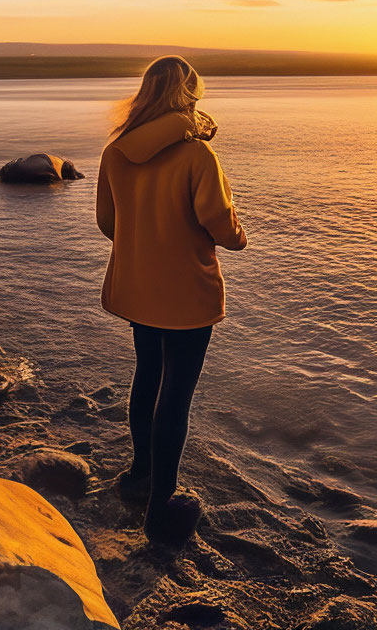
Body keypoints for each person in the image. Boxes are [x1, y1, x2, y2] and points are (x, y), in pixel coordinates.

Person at [96, 55, 247, 543]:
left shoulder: (116, 152)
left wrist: (143, 239)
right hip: (185, 293)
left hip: (138, 288)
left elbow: (108, 224)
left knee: (147, 377)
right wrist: (240, 235)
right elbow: (220, 228)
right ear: (187, 96)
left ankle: (139, 474)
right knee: (176, 397)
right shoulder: (197, 157)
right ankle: (162, 506)